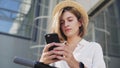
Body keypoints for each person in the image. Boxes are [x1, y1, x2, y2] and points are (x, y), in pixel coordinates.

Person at [39, 0, 106, 68]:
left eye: (70, 20)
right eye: (62, 22)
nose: (66, 24)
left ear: (80, 22)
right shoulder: (57, 50)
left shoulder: (93, 48)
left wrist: (75, 63)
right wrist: (42, 63)